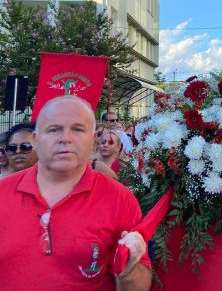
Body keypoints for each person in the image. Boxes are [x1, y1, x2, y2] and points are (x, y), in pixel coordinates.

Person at [0, 96, 152, 290]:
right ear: (36, 140)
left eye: (78, 129)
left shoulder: (120, 199)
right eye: (54, 129)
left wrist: (129, 271)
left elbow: (139, 286)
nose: (65, 138)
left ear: (93, 140)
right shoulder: (3, 193)